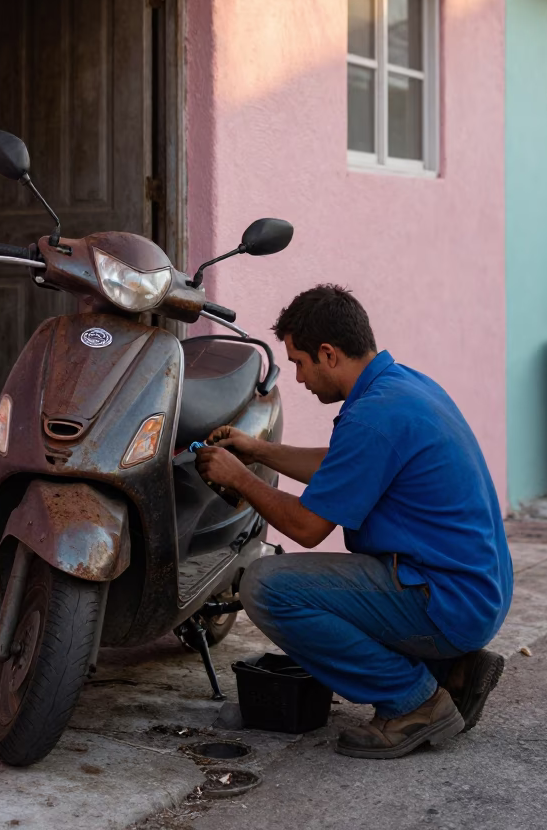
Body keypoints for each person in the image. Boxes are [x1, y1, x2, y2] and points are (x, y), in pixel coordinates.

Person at [194, 284, 513, 760]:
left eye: (300, 362)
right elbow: (344, 464)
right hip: (476, 591)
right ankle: (454, 673)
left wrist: (240, 478)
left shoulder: (373, 416)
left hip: (447, 600)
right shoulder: (404, 387)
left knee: (266, 585)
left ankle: (414, 702)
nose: (299, 377)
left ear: (329, 353)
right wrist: (259, 450)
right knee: (317, 585)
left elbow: (306, 527)